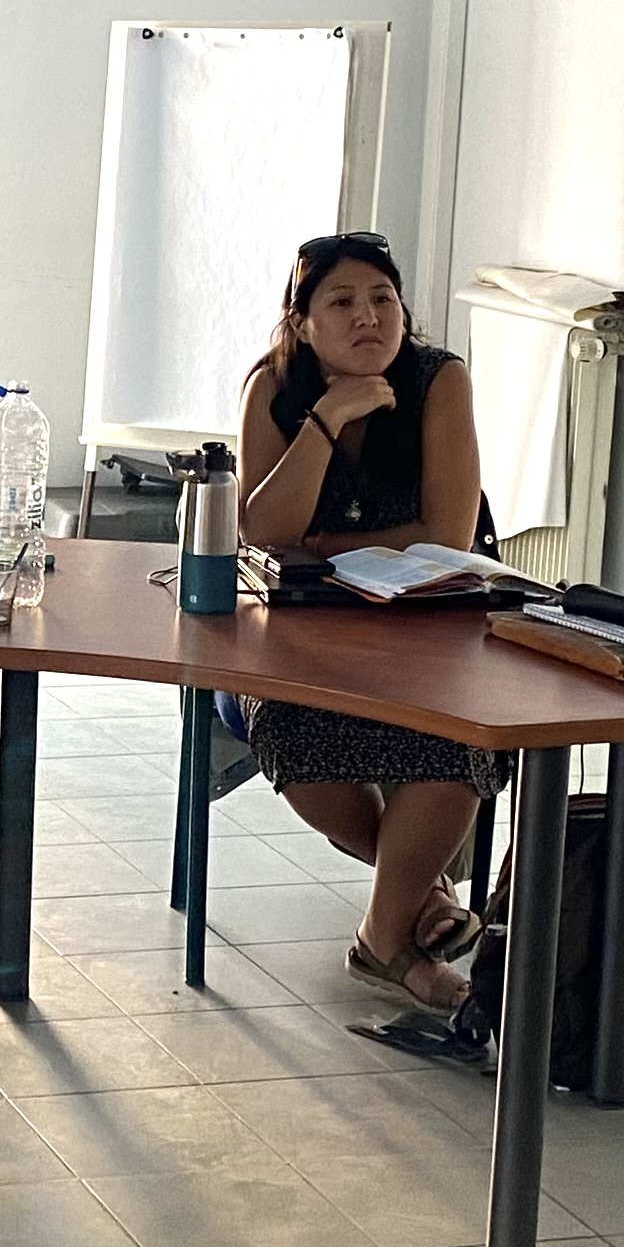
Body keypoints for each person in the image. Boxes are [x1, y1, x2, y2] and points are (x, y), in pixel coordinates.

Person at [235, 231, 510, 1017]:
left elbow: (445, 536)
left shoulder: (438, 381)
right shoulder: (274, 389)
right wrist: (326, 420)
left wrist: (322, 544)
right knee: (295, 735)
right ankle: (421, 905)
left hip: (429, 627)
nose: (369, 317)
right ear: (302, 322)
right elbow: (263, 530)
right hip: (296, 634)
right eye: (343, 302)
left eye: (383, 298)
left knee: (457, 739)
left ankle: (386, 939)